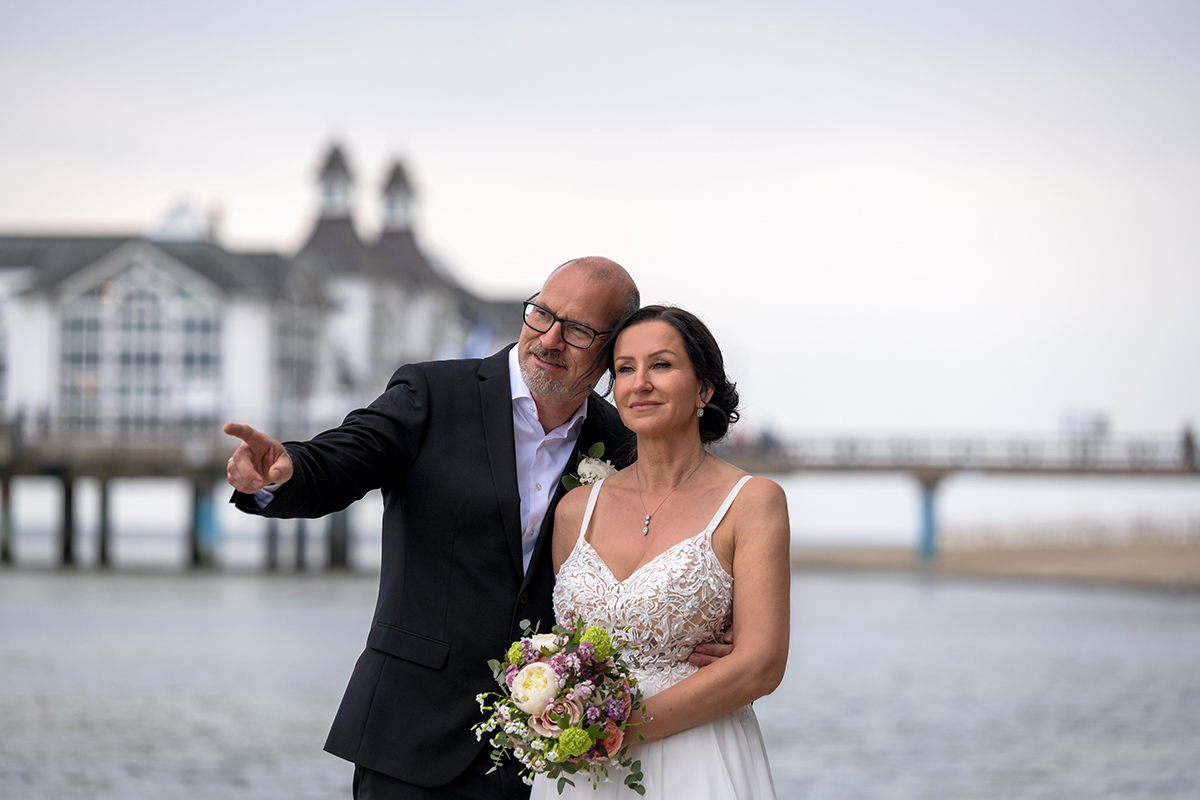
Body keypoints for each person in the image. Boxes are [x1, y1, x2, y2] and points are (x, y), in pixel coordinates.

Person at [223, 258, 731, 800]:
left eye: (578, 330)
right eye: (541, 314)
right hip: (411, 732)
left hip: (551, 754)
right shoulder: (433, 393)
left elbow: (675, 542)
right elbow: (346, 457)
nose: (550, 338)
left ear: (610, 353)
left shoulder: (625, 440)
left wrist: (720, 631)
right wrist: (285, 473)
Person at [531, 306, 791, 800]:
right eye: (625, 369)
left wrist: (616, 733)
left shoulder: (753, 501)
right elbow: (565, 650)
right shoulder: (575, 511)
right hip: (579, 773)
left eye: (661, 365)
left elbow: (762, 664)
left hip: (698, 761)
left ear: (705, 389)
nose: (640, 383)